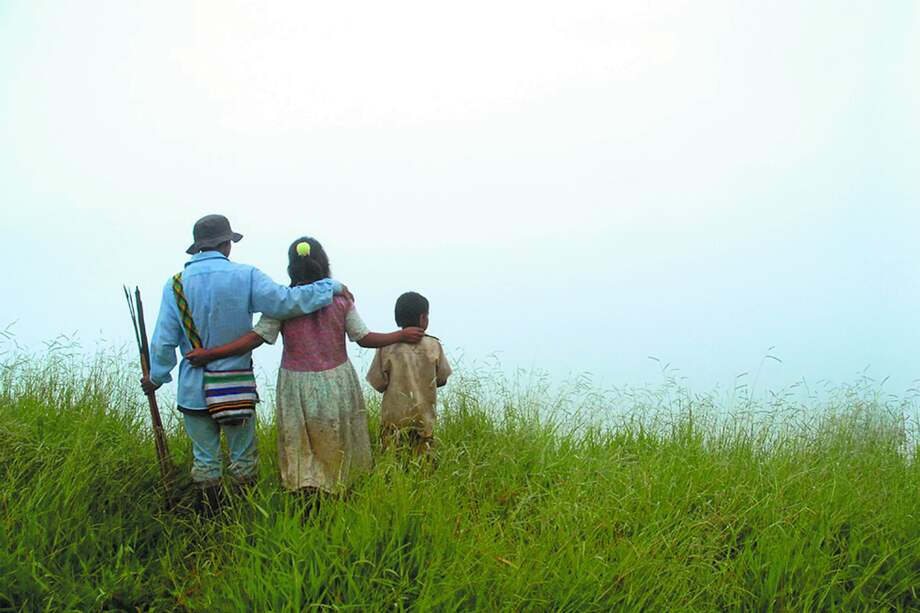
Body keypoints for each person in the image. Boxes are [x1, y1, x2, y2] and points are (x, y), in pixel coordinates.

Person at [141, 215, 352, 509]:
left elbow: (164, 341)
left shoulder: (174, 285)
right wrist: (331, 286)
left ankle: (211, 521)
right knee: (243, 459)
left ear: (198, 247)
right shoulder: (246, 276)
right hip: (234, 387)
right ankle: (244, 516)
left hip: (194, 387)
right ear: (226, 244)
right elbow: (285, 302)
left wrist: (156, 377)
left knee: (205, 460)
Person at [186, 236, 425, 495]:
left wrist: (211, 354)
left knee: (300, 445)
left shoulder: (283, 304)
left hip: (295, 385)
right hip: (336, 381)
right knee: (335, 442)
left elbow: (254, 338)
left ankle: (305, 494)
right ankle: (337, 493)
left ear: (292, 267)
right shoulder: (341, 299)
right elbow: (364, 338)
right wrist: (400, 335)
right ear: (323, 263)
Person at [366, 291, 451, 457]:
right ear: (423, 319)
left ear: (398, 319)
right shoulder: (434, 346)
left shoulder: (386, 346)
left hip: (393, 422)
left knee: (391, 464)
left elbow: (378, 383)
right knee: (423, 467)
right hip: (423, 422)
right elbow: (441, 379)